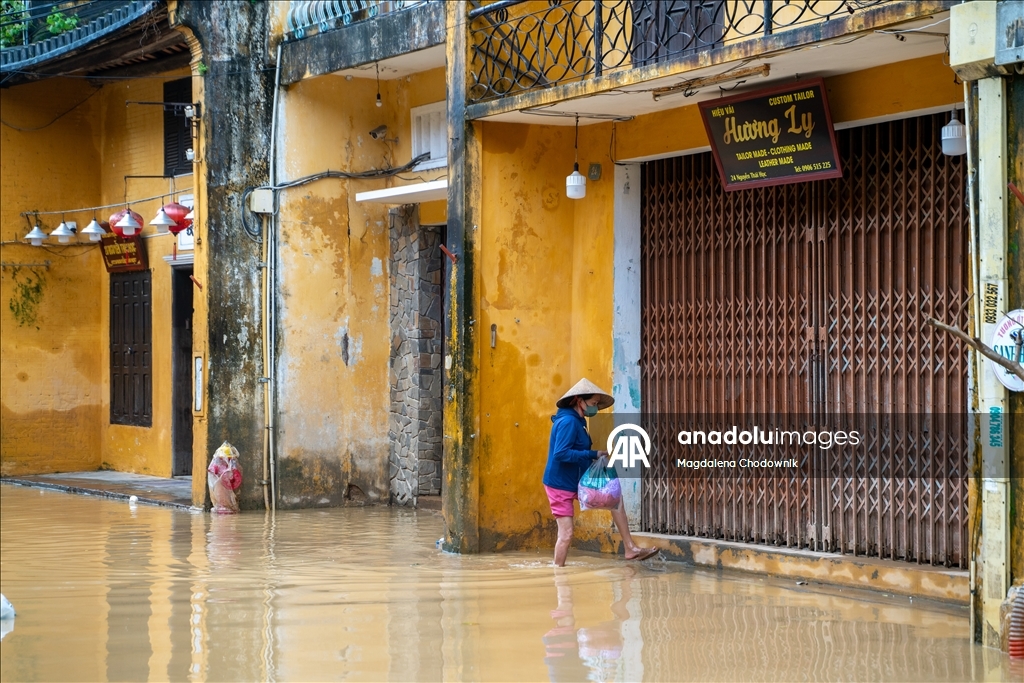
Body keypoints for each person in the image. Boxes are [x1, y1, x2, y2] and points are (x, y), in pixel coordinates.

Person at [543, 378, 659, 566]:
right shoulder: (568, 422)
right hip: (559, 484)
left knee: (615, 498)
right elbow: (561, 453)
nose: (595, 408)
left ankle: (630, 548)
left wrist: (594, 457)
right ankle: (559, 575)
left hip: (575, 480)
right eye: (593, 403)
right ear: (579, 401)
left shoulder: (579, 420)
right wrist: (593, 453)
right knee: (566, 535)